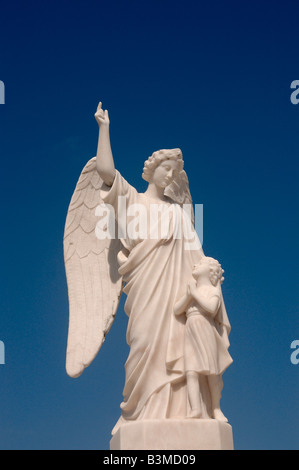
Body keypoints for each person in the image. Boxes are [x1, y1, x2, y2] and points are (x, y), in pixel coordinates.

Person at [94, 102, 204, 433]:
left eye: (174, 171)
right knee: (143, 345)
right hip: (146, 296)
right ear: (151, 171)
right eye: (165, 169)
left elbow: (194, 253)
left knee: (179, 348)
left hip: (177, 299)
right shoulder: (134, 201)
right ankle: (137, 413)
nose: (170, 175)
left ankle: (181, 413)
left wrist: (208, 281)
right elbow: (105, 172)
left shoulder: (177, 213)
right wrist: (104, 128)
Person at [174, 257, 233, 421]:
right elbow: (177, 309)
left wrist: (194, 294)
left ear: (210, 271)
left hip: (205, 330)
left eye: (200, 264)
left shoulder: (212, 291)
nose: (195, 265)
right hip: (190, 329)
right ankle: (195, 409)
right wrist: (188, 296)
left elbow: (212, 309)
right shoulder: (192, 289)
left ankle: (216, 408)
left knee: (211, 372)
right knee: (191, 371)